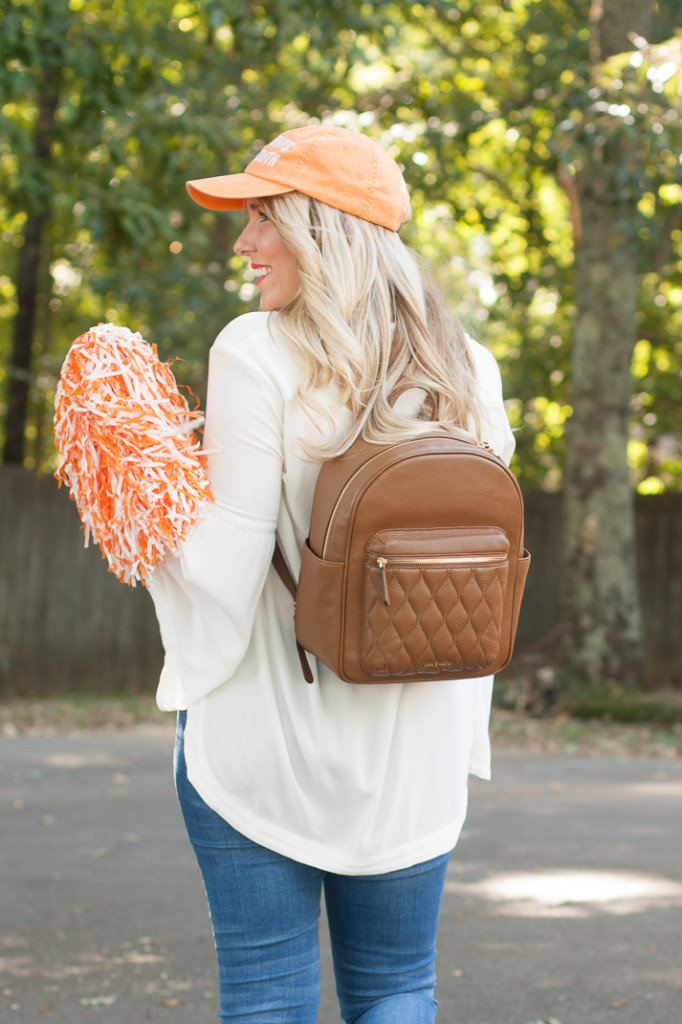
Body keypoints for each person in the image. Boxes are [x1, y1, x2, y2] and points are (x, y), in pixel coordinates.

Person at [147, 123, 515, 1024]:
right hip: (416, 747)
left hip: (272, 739)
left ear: (323, 228)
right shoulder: (469, 367)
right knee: (397, 989)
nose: (243, 243)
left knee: (268, 994)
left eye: (263, 217)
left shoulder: (255, 349)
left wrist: (144, 498)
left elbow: (225, 573)